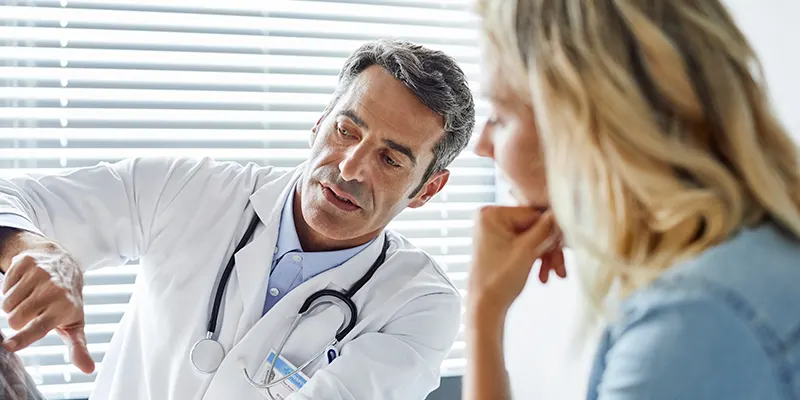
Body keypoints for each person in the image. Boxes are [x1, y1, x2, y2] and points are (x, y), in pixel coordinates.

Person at [0, 39, 476, 400]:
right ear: (318, 121)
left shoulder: (420, 305)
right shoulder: (188, 190)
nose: (350, 168)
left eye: (390, 160)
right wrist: (40, 251)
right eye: (346, 129)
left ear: (428, 189)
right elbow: (13, 199)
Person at [464, 1, 800, 399]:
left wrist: (482, 314)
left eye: (500, 118)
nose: (482, 146)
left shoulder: (693, 322)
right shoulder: (758, 257)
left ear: (592, 122)